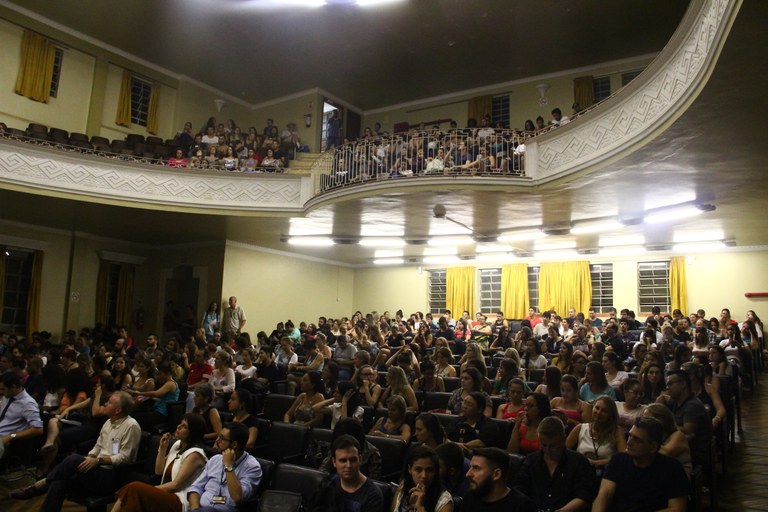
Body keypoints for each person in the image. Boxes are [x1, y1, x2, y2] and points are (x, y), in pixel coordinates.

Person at [13, 391, 142, 511]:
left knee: (73, 458)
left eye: (109, 403)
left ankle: (39, 486)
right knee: (59, 483)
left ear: (118, 410)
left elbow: (125, 458)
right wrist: (90, 457)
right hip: (97, 470)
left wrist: (97, 461)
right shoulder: (109, 422)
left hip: (112, 475)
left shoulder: (131, 426)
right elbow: (98, 446)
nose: (105, 404)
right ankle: (43, 489)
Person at [110, 414, 208, 512]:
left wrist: (150, 490)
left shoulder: (195, 455)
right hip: (167, 494)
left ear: (193, 433)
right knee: (132, 493)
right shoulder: (177, 445)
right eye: (180, 424)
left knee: (134, 488)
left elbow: (176, 485)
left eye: (184, 426)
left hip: (181, 500)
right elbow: (159, 471)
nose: (178, 427)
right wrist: (162, 448)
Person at [592, 417, 688, 512]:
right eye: (630, 436)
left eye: (637, 439)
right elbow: (604, 495)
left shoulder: (672, 468)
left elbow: (677, 508)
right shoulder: (618, 460)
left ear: (653, 447)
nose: (629, 442)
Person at [514, 416, 595, 511]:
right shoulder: (531, 461)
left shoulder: (579, 462)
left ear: (564, 439)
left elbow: (583, 497)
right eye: (543, 445)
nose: (548, 450)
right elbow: (519, 490)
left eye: (553, 446)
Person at [187, 422, 262, 511]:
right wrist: (195, 509)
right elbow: (196, 488)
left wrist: (228, 466)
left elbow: (238, 497)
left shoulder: (252, 467)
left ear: (234, 444)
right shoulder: (215, 459)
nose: (217, 441)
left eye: (222, 438)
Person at [310, 434, 384, 512]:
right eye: (343, 461)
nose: (348, 465)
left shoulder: (373, 496)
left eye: (353, 460)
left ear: (360, 460)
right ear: (334, 462)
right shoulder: (328, 484)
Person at [463, 447, 536, 512]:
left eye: (476, 468)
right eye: (470, 467)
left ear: (496, 474)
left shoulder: (522, 506)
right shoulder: (470, 498)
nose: (468, 474)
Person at [566, 395, 625, 473]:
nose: (598, 412)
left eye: (604, 411)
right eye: (597, 408)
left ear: (610, 415)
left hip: (605, 473)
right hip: (580, 472)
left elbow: (624, 456)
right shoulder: (580, 428)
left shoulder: (616, 431)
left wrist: (598, 462)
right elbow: (564, 451)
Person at [392, 445, 453, 512]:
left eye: (429, 470)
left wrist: (421, 507)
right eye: (418, 470)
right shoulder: (403, 486)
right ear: (410, 469)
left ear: (435, 471)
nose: (424, 476)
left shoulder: (444, 501)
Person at [0, 370, 43, 460]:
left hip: (5, 438)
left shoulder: (28, 403)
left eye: (3, 389)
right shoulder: (8, 396)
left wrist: (11, 436)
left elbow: (38, 429)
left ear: (13, 387)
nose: (1, 392)